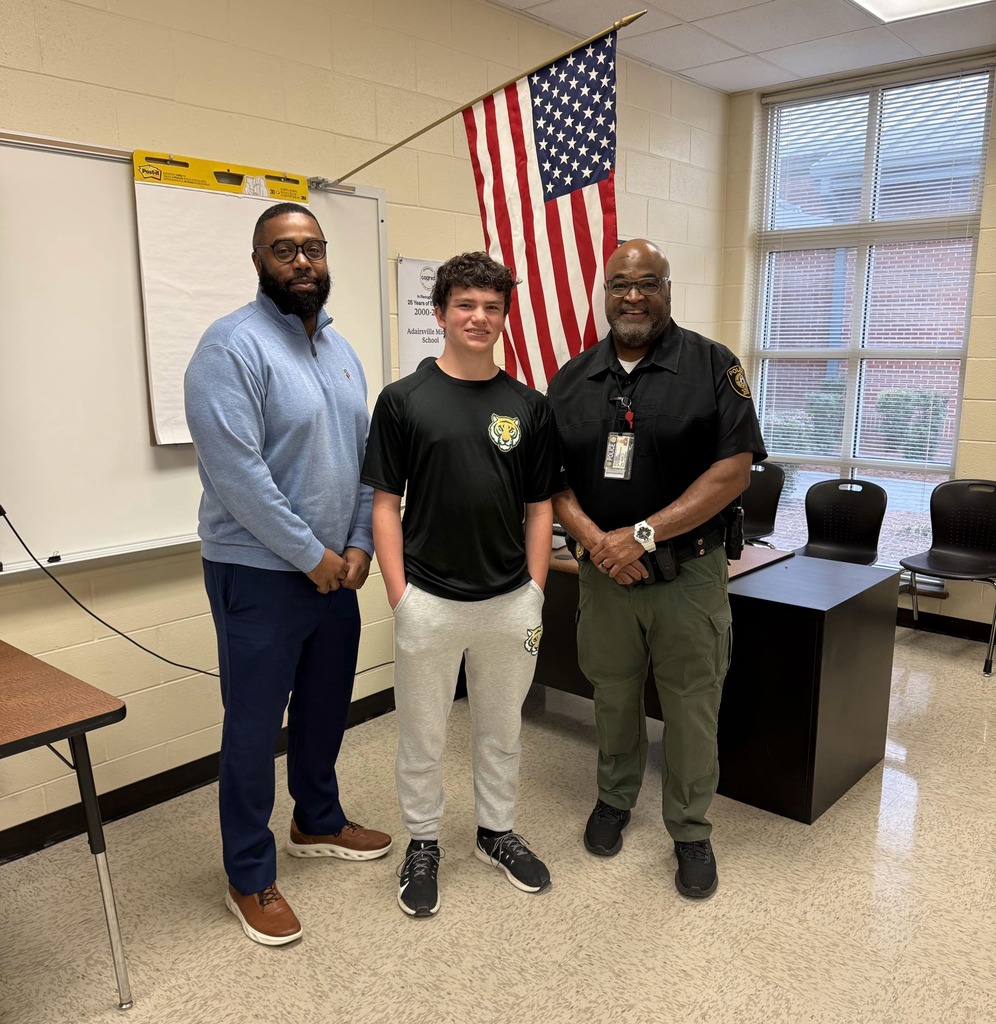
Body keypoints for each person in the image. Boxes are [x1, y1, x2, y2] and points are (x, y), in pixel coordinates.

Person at [184, 202, 392, 946]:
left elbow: (369, 458)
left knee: (325, 708)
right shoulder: (229, 348)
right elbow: (238, 475)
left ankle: (318, 820)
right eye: (283, 250)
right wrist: (314, 556)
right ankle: (248, 873)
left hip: (338, 570)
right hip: (261, 573)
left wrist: (361, 543)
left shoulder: (339, 349)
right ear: (259, 262)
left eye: (312, 248)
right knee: (251, 726)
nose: (301, 262)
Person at [546, 238, 766, 899]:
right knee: (612, 695)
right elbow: (551, 479)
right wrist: (596, 542)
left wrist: (641, 535)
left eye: (648, 283)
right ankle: (614, 800)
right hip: (603, 576)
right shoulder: (573, 377)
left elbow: (733, 470)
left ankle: (691, 831)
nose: (633, 296)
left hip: (689, 575)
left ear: (668, 289)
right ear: (604, 293)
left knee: (692, 707)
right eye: (620, 284)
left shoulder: (712, 366)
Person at [361, 251, 561, 918]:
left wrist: (533, 590)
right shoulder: (403, 401)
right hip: (429, 602)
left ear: (505, 315)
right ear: (441, 312)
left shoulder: (528, 407)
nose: (479, 317)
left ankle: (495, 833)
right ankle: (423, 841)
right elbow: (385, 505)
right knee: (422, 734)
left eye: (491, 306)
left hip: (509, 603)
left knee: (501, 731)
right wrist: (400, 597)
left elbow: (541, 509)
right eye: (466, 305)